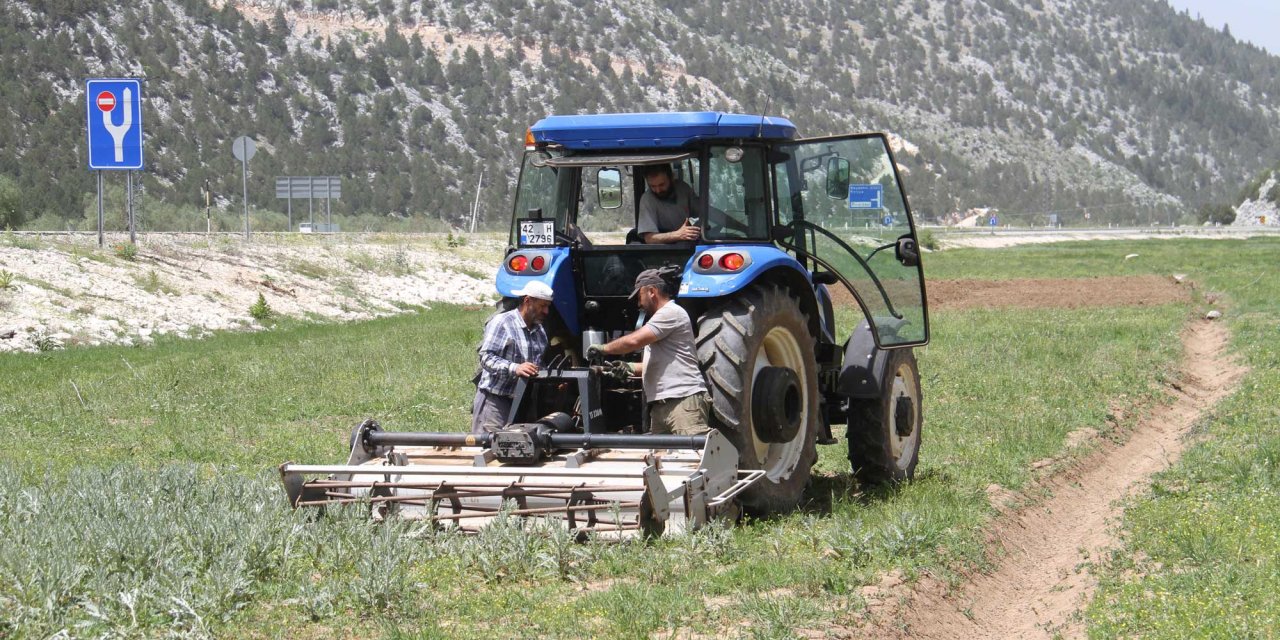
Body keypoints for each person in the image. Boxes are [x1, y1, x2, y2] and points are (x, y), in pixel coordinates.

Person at [587, 268, 710, 436]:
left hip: (682, 402)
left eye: (639, 296)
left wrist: (602, 349)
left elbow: (633, 341)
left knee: (690, 457)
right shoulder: (662, 319)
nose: (639, 303)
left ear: (652, 291)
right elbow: (657, 363)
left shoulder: (671, 313)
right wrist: (629, 367)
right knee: (661, 460)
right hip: (661, 405)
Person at [471, 281, 554, 434]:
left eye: (548, 306)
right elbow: (486, 357)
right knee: (488, 449)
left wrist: (552, 379)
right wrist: (515, 368)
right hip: (496, 402)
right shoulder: (502, 322)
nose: (546, 311)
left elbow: (536, 364)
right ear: (527, 300)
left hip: (523, 402)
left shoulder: (539, 331)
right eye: (542, 306)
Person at [637, 164, 701, 244]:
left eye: (662, 185)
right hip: (665, 251)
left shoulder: (683, 188)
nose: (658, 190)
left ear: (671, 177)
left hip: (687, 245)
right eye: (652, 186)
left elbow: (702, 211)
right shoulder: (647, 199)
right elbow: (649, 238)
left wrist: (721, 218)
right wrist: (678, 234)